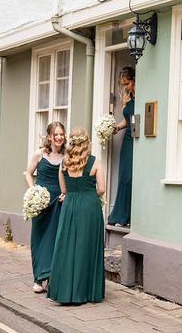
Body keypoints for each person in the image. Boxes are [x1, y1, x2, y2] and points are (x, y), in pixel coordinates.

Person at [47, 128, 105, 304]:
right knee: (87, 247)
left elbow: (63, 190)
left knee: (68, 247)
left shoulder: (64, 163)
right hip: (89, 207)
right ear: (87, 143)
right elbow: (101, 189)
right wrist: (89, 194)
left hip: (70, 206)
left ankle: (66, 291)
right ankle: (87, 292)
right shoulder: (95, 162)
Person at [25, 121, 66, 293]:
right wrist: (33, 191)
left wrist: (66, 193)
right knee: (39, 239)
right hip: (41, 202)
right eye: (55, 134)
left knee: (56, 240)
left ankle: (51, 277)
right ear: (49, 137)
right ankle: (38, 279)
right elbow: (28, 173)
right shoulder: (40, 154)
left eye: (61, 134)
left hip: (59, 201)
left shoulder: (67, 156)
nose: (58, 137)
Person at [108, 66, 135, 226]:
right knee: (124, 176)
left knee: (131, 178)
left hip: (136, 140)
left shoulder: (143, 96)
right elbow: (128, 119)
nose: (125, 87)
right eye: (123, 84)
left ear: (134, 80)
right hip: (127, 139)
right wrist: (117, 127)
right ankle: (120, 216)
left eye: (127, 83)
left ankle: (129, 216)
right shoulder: (129, 98)